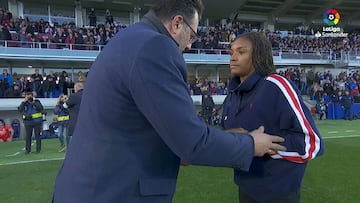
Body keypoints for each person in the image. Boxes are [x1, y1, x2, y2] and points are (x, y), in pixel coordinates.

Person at [53, 1, 286, 202]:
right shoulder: (155, 47)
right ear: (176, 23)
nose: (190, 45)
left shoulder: (127, 39)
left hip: (87, 189)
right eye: (192, 35)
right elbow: (191, 144)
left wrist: (225, 137)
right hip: (114, 193)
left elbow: (165, 131)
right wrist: (251, 144)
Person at [222, 32, 324, 203]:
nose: (233, 57)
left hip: (278, 194)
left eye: (241, 52)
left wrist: (260, 145)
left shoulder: (276, 86)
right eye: (231, 52)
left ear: (258, 55)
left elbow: (311, 144)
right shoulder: (232, 96)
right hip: (245, 188)